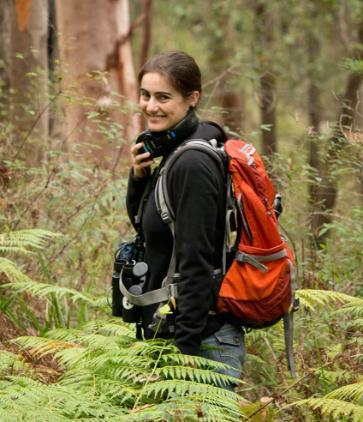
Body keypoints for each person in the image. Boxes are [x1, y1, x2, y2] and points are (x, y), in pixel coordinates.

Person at [126, 51, 245, 384]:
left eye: (163, 97)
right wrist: (139, 176)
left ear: (193, 98)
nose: (150, 106)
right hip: (177, 330)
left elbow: (197, 262)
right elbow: (147, 229)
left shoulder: (192, 164)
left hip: (199, 340)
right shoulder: (176, 149)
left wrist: (185, 354)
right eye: (146, 95)